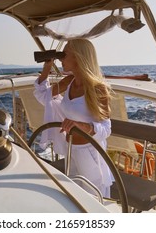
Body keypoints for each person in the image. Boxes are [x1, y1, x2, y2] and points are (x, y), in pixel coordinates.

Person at [33, 38, 114, 198]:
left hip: (90, 152)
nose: (61, 59)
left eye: (64, 54)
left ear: (78, 57)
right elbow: (44, 96)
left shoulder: (97, 88)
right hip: (71, 149)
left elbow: (106, 129)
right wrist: (47, 68)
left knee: (92, 200)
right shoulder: (69, 81)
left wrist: (82, 126)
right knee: (74, 197)